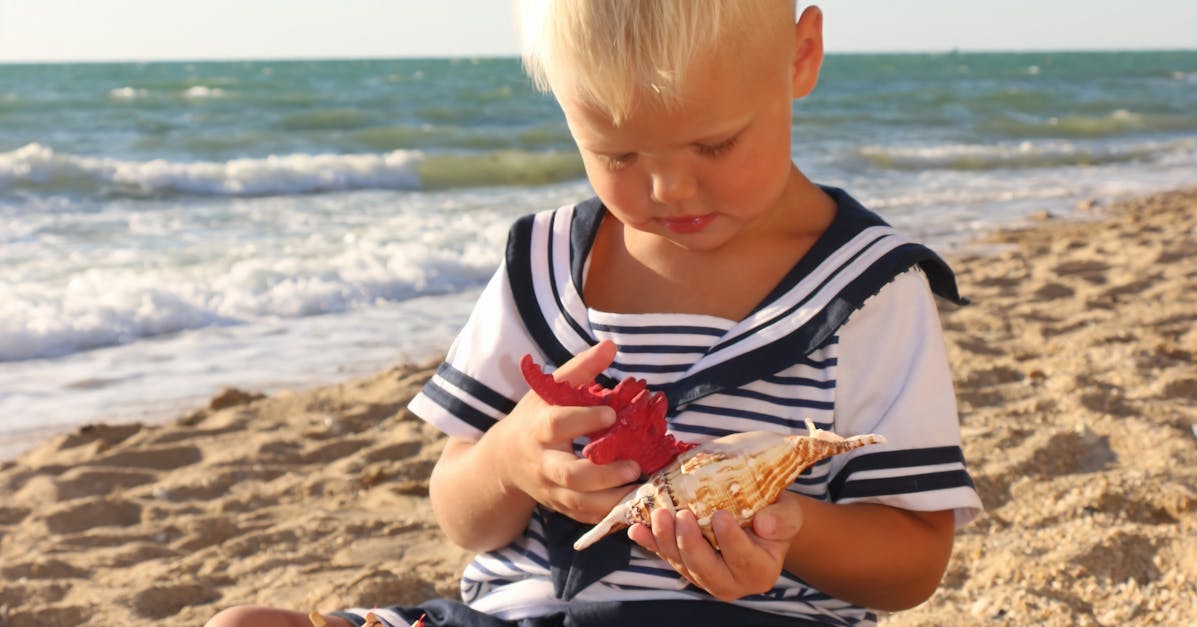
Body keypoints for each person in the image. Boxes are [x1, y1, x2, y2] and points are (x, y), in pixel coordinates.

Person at [207, 2, 982, 626]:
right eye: (618, 155)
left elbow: (913, 563)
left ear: (800, 56)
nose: (668, 190)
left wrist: (789, 528)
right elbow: (464, 518)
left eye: (714, 145)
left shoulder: (867, 290)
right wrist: (510, 459)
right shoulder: (542, 267)